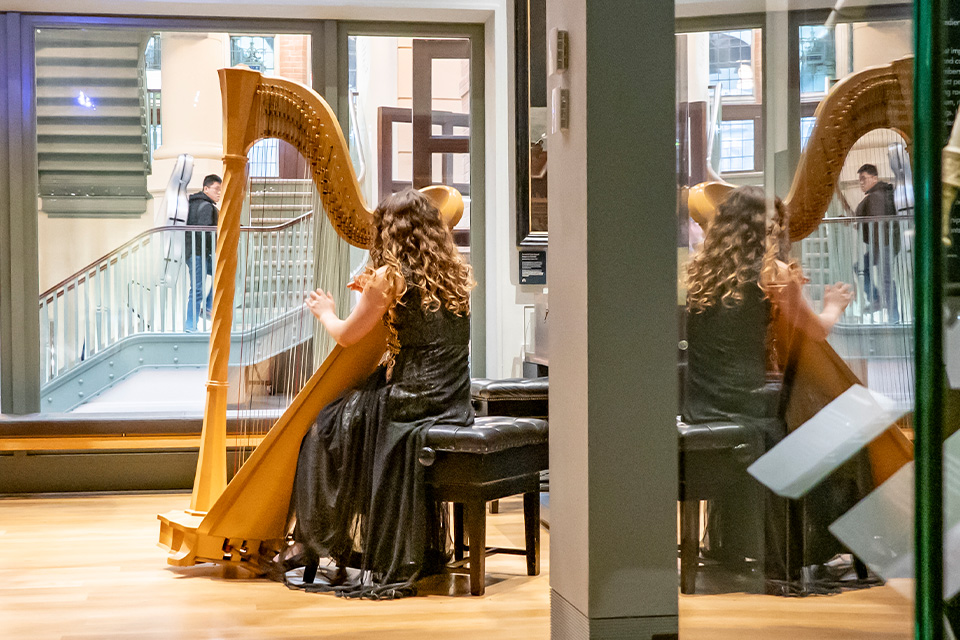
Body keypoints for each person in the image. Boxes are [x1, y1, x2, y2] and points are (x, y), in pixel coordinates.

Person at [282, 188, 475, 599]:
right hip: (452, 400)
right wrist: (371, 299)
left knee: (324, 427)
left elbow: (348, 336)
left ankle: (312, 541)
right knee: (347, 416)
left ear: (390, 230)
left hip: (410, 401)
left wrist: (326, 311)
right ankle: (328, 540)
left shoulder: (390, 276)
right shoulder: (455, 273)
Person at [683, 185, 861, 594]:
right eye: (778, 223)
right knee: (847, 426)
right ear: (769, 226)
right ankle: (813, 549)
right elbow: (816, 329)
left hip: (702, 401)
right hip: (745, 405)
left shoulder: (702, 271)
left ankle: (750, 543)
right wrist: (833, 302)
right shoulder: (775, 274)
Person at [854, 163, 900, 322]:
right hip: (879, 245)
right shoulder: (877, 194)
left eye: (864, 178)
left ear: (874, 178)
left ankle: (893, 317)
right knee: (861, 267)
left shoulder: (877, 196)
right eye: (859, 179)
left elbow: (877, 222)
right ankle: (877, 299)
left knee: (886, 280)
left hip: (883, 245)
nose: (861, 182)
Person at [184, 174, 222, 332]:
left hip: (197, 252)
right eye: (217, 189)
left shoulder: (197, 203)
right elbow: (204, 230)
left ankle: (207, 306)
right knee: (197, 288)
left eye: (221, 190)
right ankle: (190, 326)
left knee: (221, 275)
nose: (219, 193)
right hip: (198, 253)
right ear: (206, 188)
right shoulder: (205, 206)